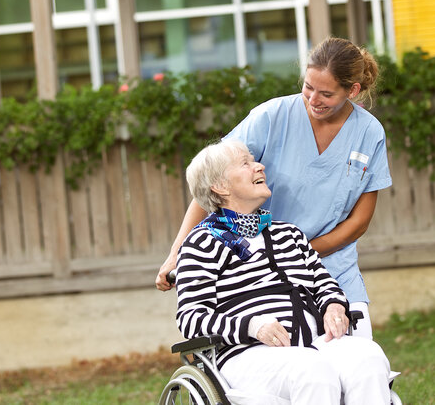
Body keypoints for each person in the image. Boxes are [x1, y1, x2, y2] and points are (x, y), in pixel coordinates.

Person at [158, 36, 392, 338]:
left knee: (359, 360)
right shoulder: (271, 117)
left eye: (326, 93)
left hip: (333, 265)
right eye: (308, 87)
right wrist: (177, 252)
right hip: (265, 268)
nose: (313, 99)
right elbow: (215, 180)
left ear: (353, 90)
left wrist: (298, 252)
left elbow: (359, 222)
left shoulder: (369, 132)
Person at [175, 139, 393, 404]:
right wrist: (252, 326)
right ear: (220, 186)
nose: (260, 167)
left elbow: (324, 283)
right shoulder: (202, 243)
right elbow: (191, 318)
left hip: (312, 343)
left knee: (367, 357)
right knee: (310, 370)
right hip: (249, 354)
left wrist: (334, 305)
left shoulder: (288, 233)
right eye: (246, 163)